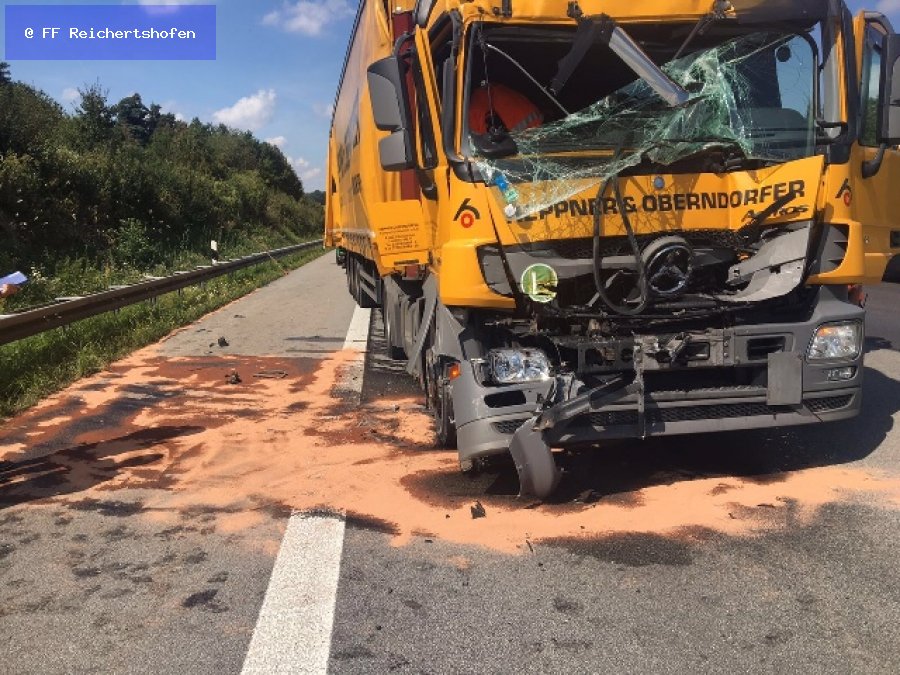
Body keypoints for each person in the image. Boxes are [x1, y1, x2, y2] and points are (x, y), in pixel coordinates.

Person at [468, 82, 543, 135]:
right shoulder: (495, 88)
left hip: (525, 134)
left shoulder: (475, 105)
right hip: (539, 123)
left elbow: (483, 141)